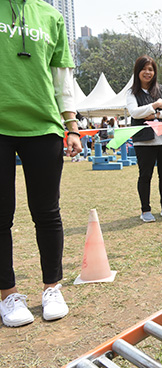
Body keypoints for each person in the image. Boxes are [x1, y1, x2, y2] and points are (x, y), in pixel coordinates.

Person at [0, 0, 82, 327]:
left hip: (44, 125)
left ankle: (52, 288)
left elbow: (62, 78)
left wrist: (72, 126)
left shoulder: (51, 16)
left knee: (47, 212)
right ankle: (8, 294)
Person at [126, 55, 162, 222]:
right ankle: (145, 210)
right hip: (144, 141)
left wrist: (156, 114)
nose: (147, 72)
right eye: (144, 69)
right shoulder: (132, 93)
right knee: (145, 175)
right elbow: (135, 112)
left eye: (151, 69)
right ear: (137, 71)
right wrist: (156, 104)